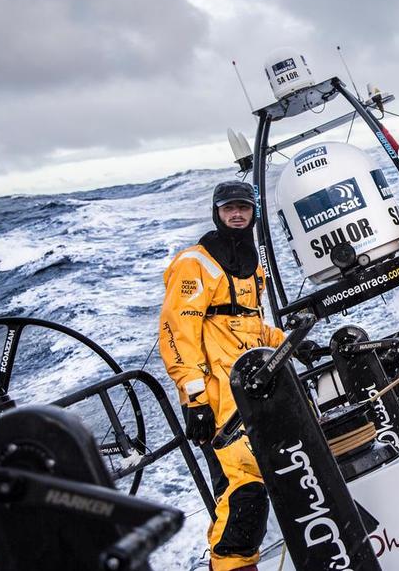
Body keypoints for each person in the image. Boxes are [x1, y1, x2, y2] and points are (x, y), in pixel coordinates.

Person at [158, 181, 286, 571]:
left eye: (243, 208)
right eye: (229, 207)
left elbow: (251, 326)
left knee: (261, 483)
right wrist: (194, 400)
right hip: (216, 402)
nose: (236, 214)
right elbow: (177, 334)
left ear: (253, 214)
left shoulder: (249, 266)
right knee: (244, 492)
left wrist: (288, 343)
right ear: (217, 212)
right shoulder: (194, 264)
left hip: (249, 391)